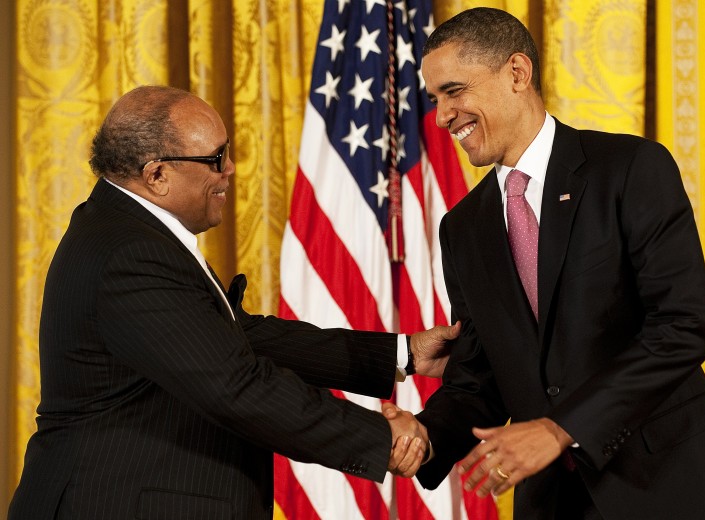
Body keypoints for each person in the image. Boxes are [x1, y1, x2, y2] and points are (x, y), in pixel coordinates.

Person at [8, 85, 453, 519]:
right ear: (156, 174)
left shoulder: (129, 231)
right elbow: (234, 386)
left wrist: (405, 353)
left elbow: (243, 337)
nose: (232, 169)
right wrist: (381, 439)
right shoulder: (130, 252)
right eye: (216, 159)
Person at [385, 7, 705, 520]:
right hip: (555, 505)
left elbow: (682, 328)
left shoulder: (630, 170)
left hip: (670, 487)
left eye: (455, 91)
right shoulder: (463, 228)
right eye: (435, 99)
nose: (443, 115)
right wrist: (425, 435)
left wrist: (562, 429)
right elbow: (477, 378)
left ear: (517, 73)